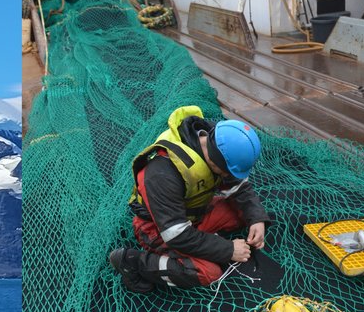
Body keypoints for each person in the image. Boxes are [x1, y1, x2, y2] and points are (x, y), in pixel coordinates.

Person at [109, 105, 270, 293]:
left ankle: (206, 239)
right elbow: (176, 234)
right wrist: (228, 249)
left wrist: (256, 219)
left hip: (194, 213)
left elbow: (240, 188)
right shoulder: (162, 172)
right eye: (228, 171)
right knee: (208, 272)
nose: (230, 175)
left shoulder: (216, 142)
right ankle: (135, 262)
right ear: (216, 161)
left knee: (243, 213)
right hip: (159, 229)